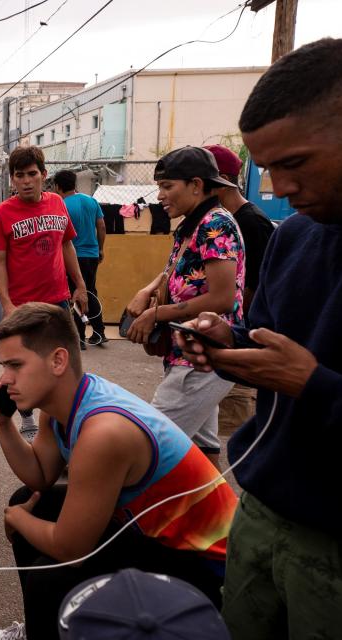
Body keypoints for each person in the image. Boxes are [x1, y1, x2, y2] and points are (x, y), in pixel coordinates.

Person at [177, 38, 342, 640]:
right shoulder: (297, 236)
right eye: (266, 167)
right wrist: (227, 340)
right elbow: (267, 339)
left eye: (296, 163)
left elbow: (304, 372)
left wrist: (313, 384)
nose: (276, 188)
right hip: (260, 505)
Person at [0, 303, 236, 640]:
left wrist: (17, 519)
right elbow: (40, 475)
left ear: (58, 361)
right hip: (153, 533)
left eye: (15, 365)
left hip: (207, 566)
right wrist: (3, 424)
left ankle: (50, 624)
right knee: (30, 499)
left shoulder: (103, 433)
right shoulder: (63, 403)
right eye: (3, 366)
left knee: (49, 574)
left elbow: (71, 550)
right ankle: (43, 627)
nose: (4, 379)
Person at [125, 146, 245, 468]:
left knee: (147, 445)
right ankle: (214, 516)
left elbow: (223, 298)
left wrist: (156, 313)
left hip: (203, 357)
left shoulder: (215, 225)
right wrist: (148, 289)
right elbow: (177, 270)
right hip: (188, 352)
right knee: (202, 450)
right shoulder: (193, 223)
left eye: (167, 186)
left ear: (196, 184)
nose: (161, 195)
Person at [203, 144, 275, 438]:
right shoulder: (219, 220)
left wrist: (236, 331)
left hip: (242, 335)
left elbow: (255, 286)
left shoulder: (250, 222)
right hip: (227, 333)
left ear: (219, 179)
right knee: (210, 431)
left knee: (236, 426)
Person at [0, 145, 88, 319]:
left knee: (62, 347)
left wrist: (80, 285)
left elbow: (67, 245)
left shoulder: (57, 202)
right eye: (20, 175)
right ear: (12, 179)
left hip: (59, 300)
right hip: (22, 305)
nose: (26, 181)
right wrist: (7, 305)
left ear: (44, 175)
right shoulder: (1, 213)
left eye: (32, 174)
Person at [53, 169, 107, 348]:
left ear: (58, 187)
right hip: (92, 255)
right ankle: (99, 333)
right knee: (90, 291)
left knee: (74, 293)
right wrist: (100, 249)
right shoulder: (91, 201)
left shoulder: (62, 205)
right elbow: (101, 226)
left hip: (73, 256)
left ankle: (80, 337)